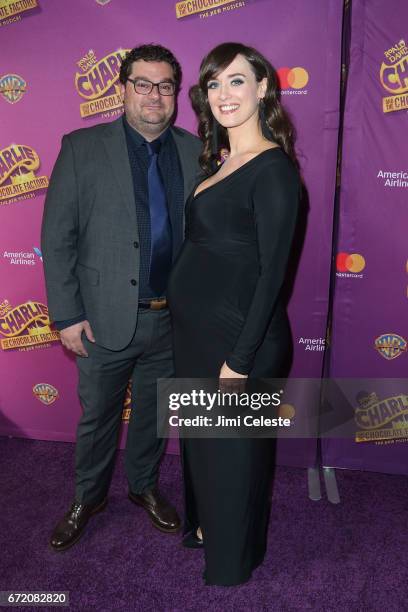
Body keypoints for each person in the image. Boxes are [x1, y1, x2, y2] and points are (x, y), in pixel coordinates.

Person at [41, 44, 202, 551]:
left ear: (177, 94)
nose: (154, 95)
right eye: (143, 84)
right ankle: (88, 497)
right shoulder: (82, 147)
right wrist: (67, 315)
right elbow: (58, 237)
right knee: (97, 420)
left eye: (165, 86)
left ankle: (144, 486)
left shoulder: (194, 151)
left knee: (155, 415)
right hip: (102, 318)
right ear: (122, 89)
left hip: (172, 320)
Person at [167, 42, 301, 585]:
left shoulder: (274, 170)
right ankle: (207, 529)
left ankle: (231, 561)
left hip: (239, 341)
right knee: (203, 445)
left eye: (237, 81)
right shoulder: (220, 163)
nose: (224, 95)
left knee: (233, 460)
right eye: (215, 84)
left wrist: (239, 360)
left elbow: (273, 275)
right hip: (197, 335)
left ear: (263, 87)